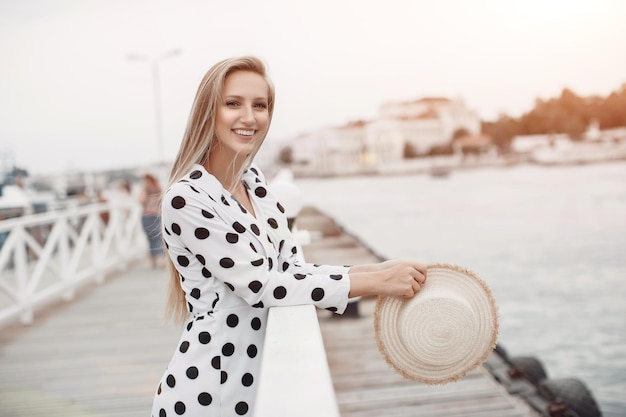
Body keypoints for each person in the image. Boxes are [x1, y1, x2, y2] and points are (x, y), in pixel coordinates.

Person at [151, 56, 428, 417]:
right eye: (233, 103)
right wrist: (375, 283)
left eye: (260, 105)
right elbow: (262, 286)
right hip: (211, 388)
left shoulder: (257, 186)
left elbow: (293, 271)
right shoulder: (187, 197)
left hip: (258, 380)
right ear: (208, 111)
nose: (249, 117)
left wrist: (374, 270)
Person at [139, 173, 164, 268]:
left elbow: (140, 201)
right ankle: (155, 260)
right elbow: (140, 201)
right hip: (150, 217)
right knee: (152, 238)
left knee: (158, 238)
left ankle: (159, 260)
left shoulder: (157, 189)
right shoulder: (154, 189)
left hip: (154, 216)